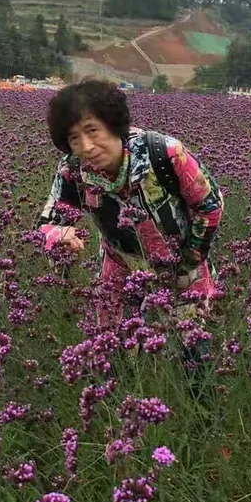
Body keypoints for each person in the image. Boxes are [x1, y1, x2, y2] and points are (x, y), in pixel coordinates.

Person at [38, 80, 223, 329]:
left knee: (189, 342)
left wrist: (188, 262)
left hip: (182, 268)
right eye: (74, 138)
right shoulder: (73, 170)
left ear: (113, 124)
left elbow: (210, 205)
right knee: (112, 340)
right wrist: (58, 234)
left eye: (92, 130)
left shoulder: (164, 153)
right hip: (120, 267)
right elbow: (48, 222)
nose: (87, 147)